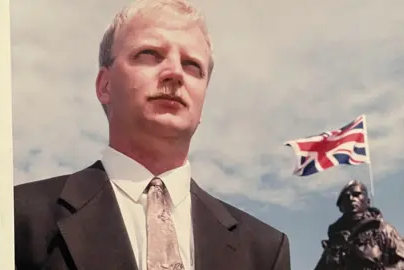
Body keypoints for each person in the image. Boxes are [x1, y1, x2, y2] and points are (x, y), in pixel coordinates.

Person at [14, 1, 291, 269]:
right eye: (149, 54)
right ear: (105, 85)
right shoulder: (17, 217)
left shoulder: (264, 250)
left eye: (192, 66)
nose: (175, 73)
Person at [313, 180, 404, 270]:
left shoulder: (383, 230)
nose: (351, 199)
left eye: (356, 194)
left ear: (368, 201)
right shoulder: (334, 242)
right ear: (341, 207)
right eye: (346, 197)